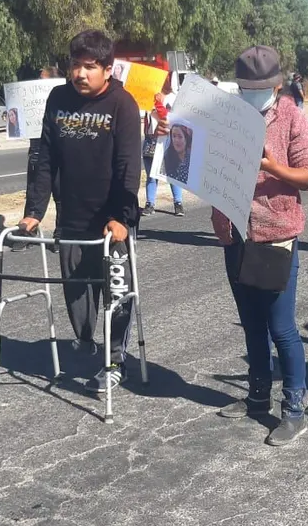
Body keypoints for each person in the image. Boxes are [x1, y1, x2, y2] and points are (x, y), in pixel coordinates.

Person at [19, 30, 142, 394]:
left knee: (116, 294)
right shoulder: (58, 98)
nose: (80, 74)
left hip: (110, 221)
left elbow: (128, 167)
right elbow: (44, 159)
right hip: (71, 217)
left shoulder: (123, 104)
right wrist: (34, 211)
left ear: (107, 69)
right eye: (75, 65)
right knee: (77, 296)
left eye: (90, 67)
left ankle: (116, 360)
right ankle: (87, 340)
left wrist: (122, 217)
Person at [214, 45, 308, 446]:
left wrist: (273, 165)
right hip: (233, 232)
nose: (252, 93)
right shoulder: (227, 114)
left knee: (281, 327)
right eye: (245, 86)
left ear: (277, 84)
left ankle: (295, 408)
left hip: (276, 234)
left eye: (260, 87)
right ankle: (258, 395)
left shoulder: (292, 116)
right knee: (252, 323)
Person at [142, 75, 184, 217]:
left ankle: (178, 203)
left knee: (172, 173)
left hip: (167, 141)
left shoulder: (173, 98)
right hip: (151, 140)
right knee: (151, 175)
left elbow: (168, 119)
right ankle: (150, 203)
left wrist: (158, 103)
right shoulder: (148, 97)